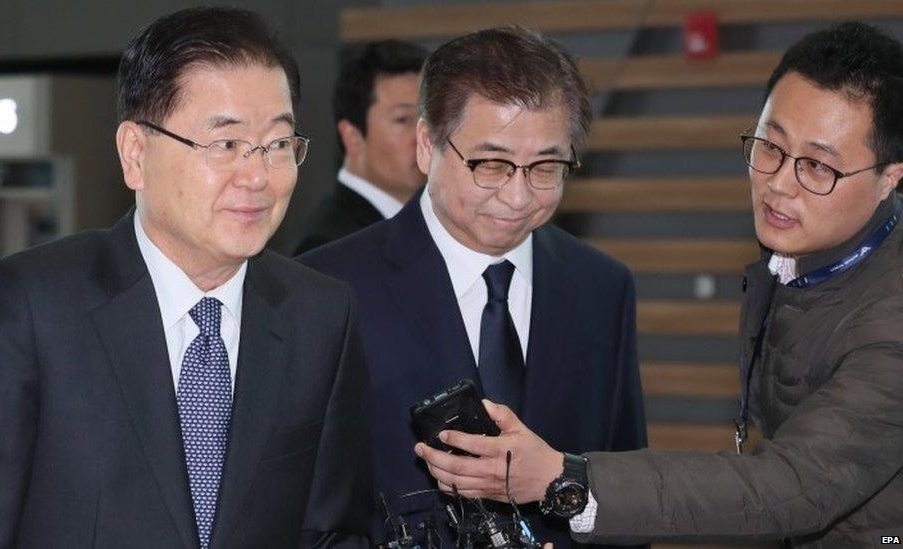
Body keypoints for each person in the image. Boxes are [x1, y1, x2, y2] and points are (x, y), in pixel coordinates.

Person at [417, 22, 903, 548]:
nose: (779, 183)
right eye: (770, 147)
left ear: (890, 177)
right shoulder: (803, 257)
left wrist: (566, 479)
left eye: (817, 166)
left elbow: (794, 484)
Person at [0, 7, 371, 548]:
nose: (258, 175)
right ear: (135, 153)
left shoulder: (320, 314)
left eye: (278, 145)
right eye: (225, 145)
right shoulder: (29, 304)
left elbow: (332, 530)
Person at [301, 26, 646, 547]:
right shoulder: (328, 288)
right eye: (491, 163)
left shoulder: (601, 287)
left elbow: (624, 492)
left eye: (546, 166)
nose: (517, 195)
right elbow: (301, 512)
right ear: (427, 145)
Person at [294, 39, 427, 254]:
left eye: (428, 118)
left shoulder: (425, 222)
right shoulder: (328, 245)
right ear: (352, 136)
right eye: (403, 120)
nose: (423, 136)